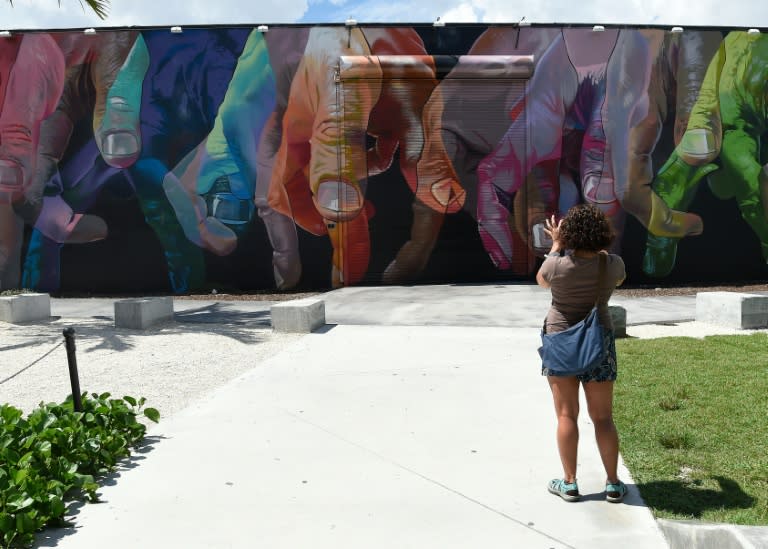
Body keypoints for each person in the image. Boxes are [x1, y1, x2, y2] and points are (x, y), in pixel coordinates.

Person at [535, 203, 627, 503]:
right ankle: (613, 483)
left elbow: (541, 280)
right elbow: (620, 279)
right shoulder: (612, 264)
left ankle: (570, 483)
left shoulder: (557, 265)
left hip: (560, 341)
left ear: (569, 234)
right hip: (599, 343)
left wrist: (557, 245)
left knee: (566, 415)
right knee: (603, 418)